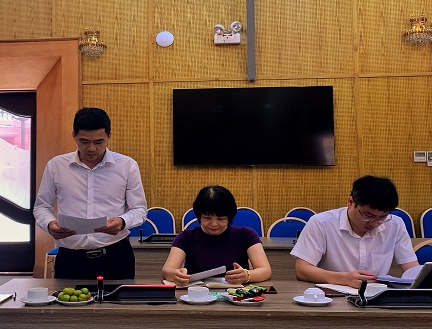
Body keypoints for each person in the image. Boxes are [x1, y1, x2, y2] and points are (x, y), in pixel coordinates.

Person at [33, 107, 147, 279]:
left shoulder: (127, 165)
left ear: (109, 136)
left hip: (116, 256)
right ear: (74, 136)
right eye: (84, 141)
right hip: (71, 258)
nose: (92, 148)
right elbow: (41, 206)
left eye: (99, 142)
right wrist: (49, 224)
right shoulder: (56, 166)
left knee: (117, 298)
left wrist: (122, 222)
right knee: (67, 297)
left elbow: (139, 209)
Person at [291, 175, 419, 288]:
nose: (374, 223)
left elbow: (411, 267)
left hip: (376, 296)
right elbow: (302, 270)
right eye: (368, 216)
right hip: (332, 295)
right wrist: (344, 279)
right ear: (350, 202)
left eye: (382, 217)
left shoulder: (395, 224)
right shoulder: (321, 223)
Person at [162, 186, 271, 286]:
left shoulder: (246, 235)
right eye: (207, 218)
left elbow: (265, 270)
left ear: (229, 217)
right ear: (199, 216)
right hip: (197, 294)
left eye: (221, 219)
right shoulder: (186, 237)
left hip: (236, 295)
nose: (214, 224)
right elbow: (167, 270)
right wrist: (176, 275)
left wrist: (246, 275)